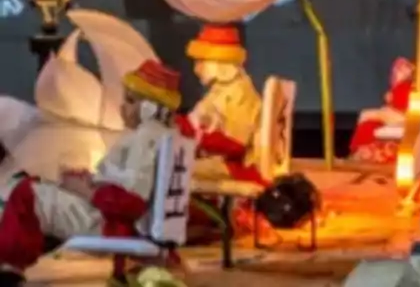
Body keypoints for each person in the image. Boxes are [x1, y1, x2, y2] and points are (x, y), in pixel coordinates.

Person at [0, 60, 182, 286]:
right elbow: (127, 184)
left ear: (149, 108)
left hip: (109, 223)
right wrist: (90, 181)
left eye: (130, 101)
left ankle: (9, 269)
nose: (122, 107)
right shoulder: (162, 136)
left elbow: (131, 202)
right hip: (109, 214)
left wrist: (85, 191)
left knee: (27, 193)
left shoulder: (146, 140)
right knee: (41, 190)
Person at [176, 24, 263, 183]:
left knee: (177, 169)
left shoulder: (240, 94)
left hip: (237, 166)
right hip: (217, 158)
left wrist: (200, 136)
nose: (197, 69)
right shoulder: (219, 90)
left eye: (201, 62)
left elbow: (236, 145)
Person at [348, 58, 413, 164]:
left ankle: (363, 153)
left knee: (366, 115)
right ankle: (359, 153)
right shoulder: (402, 86)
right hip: (395, 113)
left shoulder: (409, 85)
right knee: (368, 121)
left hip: (404, 116)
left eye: (400, 71)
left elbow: (402, 103)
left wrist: (392, 97)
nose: (396, 74)